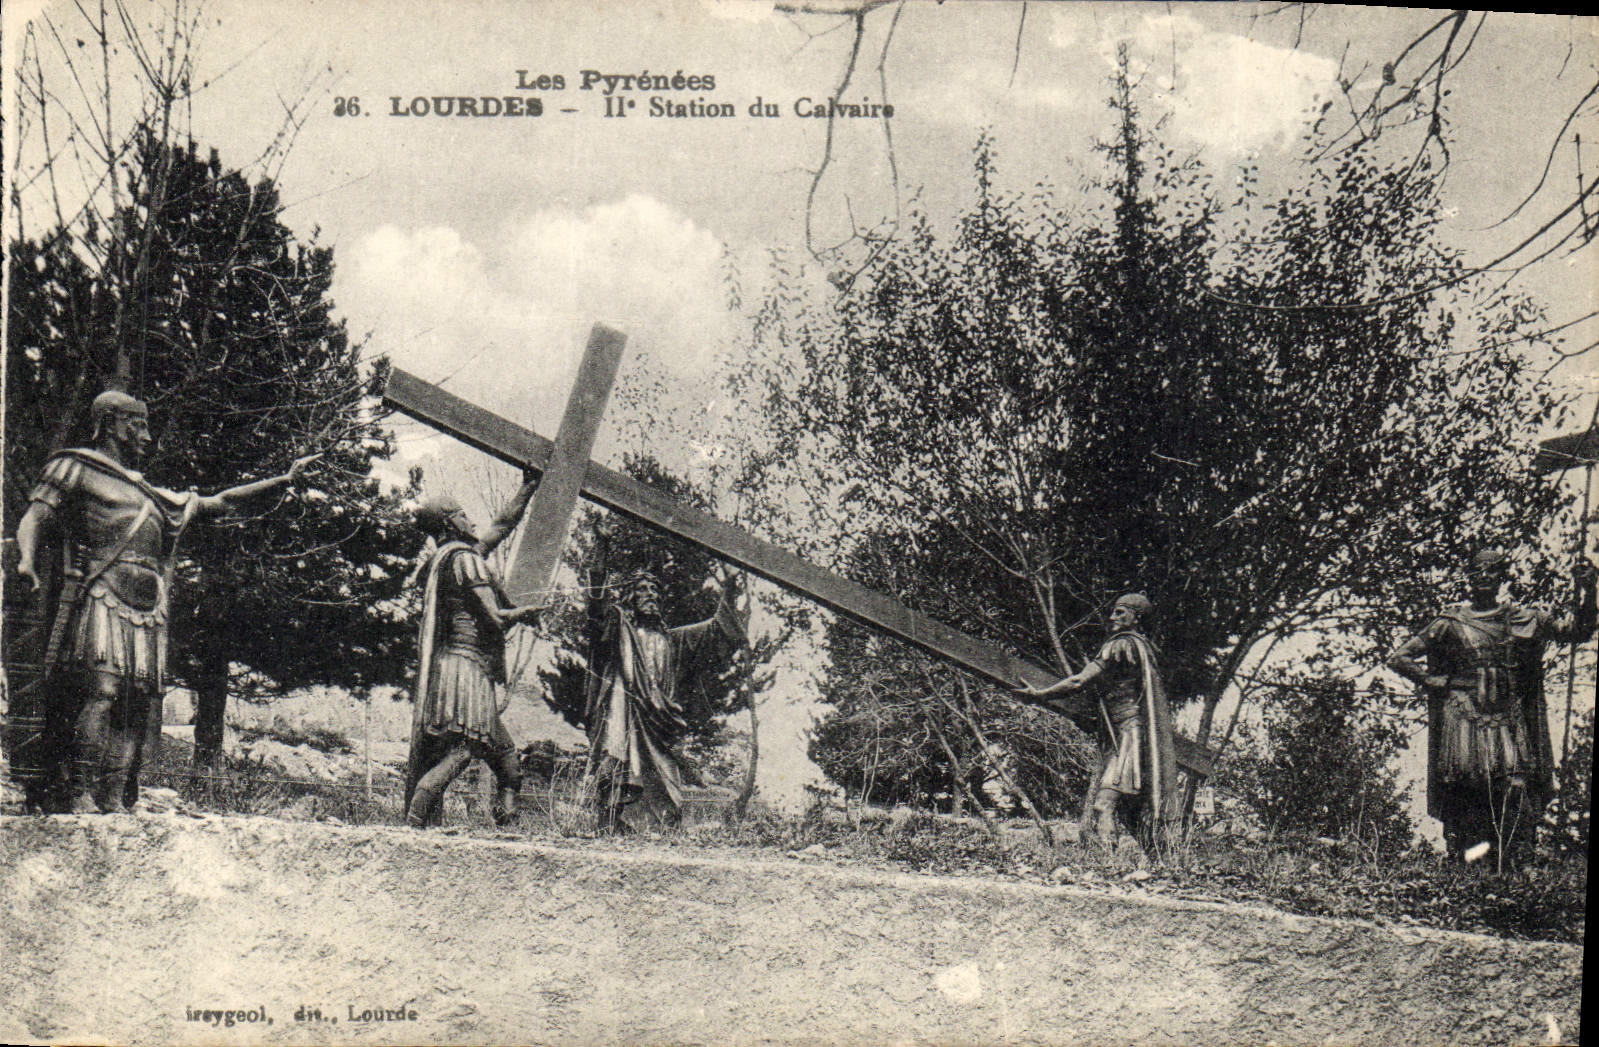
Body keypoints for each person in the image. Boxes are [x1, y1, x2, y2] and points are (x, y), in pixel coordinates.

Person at [13, 390, 315, 813]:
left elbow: (221, 502)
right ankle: (77, 791)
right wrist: (27, 560)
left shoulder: (152, 495)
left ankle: (114, 797)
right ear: (111, 422)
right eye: (138, 425)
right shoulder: (76, 466)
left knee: (136, 704)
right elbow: (36, 516)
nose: (148, 436)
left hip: (148, 609)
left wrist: (283, 480)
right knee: (101, 690)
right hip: (103, 596)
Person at [1387, 548, 1597, 867]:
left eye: (1491, 571)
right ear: (1469, 578)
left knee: (1515, 784)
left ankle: (1513, 860)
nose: (1484, 578)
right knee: (1461, 784)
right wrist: (1429, 680)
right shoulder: (1451, 621)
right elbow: (1399, 657)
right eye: (1477, 572)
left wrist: (1590, 590)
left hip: (1506, 714)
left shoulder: (1522, 618)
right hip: (1463, 711)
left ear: (1502, 577)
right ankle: (1459, 861)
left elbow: (1577, 632)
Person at [402, 482, 542, 829]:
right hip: (467, 671)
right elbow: (495, 617)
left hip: (451, 669)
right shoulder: (467, 561)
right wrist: (527, 612)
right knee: (462, 752)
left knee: (507, 760)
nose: (473, 521)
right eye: (464, 515)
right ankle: (414, 821)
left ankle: (507, 824)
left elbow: (500, 526)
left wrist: (528, 488)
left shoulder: (445, 561)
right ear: (451, 524)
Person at [585, 565, 745, 833]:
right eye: (643, 590)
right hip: (623, 716)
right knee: (617, 766)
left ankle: (661, 831)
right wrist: (601, 547)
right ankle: (610, 823)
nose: (651, 595)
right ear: (630, 598)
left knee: (668, 789)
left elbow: (717, 629)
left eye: (655, 591)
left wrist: (729, 586)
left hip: (659, 724)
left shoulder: (674, 640)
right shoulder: (620, 632)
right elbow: (598, 606)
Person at [1016, 592, 1178, 854]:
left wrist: (1040, 695)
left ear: (1136, 618)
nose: (1113, 617)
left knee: (1105, 804)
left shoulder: (1119, 645)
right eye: (1114, 611)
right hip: (1128, 733)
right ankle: (1158, 858)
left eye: (1120, 612)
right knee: (1124, 811)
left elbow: (1079, 681)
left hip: (1128, 736)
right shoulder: (1144, 648)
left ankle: (1113, 863)